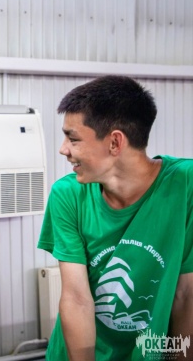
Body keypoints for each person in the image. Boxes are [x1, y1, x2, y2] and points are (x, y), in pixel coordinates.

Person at [38, 75, 193, 360]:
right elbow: (76, 299)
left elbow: (186, 295)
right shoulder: (67, 195)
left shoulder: (185, 185)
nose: (63, 149)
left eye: (73, 138)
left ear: (114, 142)